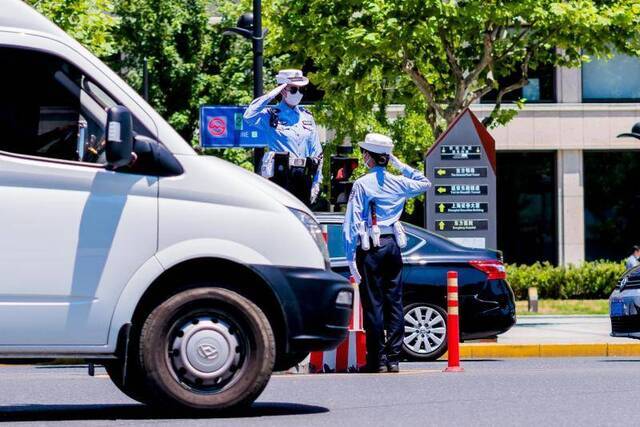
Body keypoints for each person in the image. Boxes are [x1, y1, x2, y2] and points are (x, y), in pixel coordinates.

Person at [343, 133, 432, 373]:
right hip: (392, 245)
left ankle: (377, 360)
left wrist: (350, 257)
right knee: (394, 302)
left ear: (369, 157)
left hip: (370, 246)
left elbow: (351, 223)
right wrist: (399, 164)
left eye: (365, 153)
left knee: (373, 304)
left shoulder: (362, 183)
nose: (363, 157)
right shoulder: (398, 181)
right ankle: (393, 359)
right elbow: (425, 183)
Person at [243, 69, 323, 206]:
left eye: (301, 90)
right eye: (293, 89)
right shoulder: (270, 114)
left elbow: (317, 153)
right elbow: (248, 116)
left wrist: (317, 182)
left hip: (303, 177)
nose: (298, 94)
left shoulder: (307, 116)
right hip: (279, 176)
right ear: (283, 90)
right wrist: (270, 95)